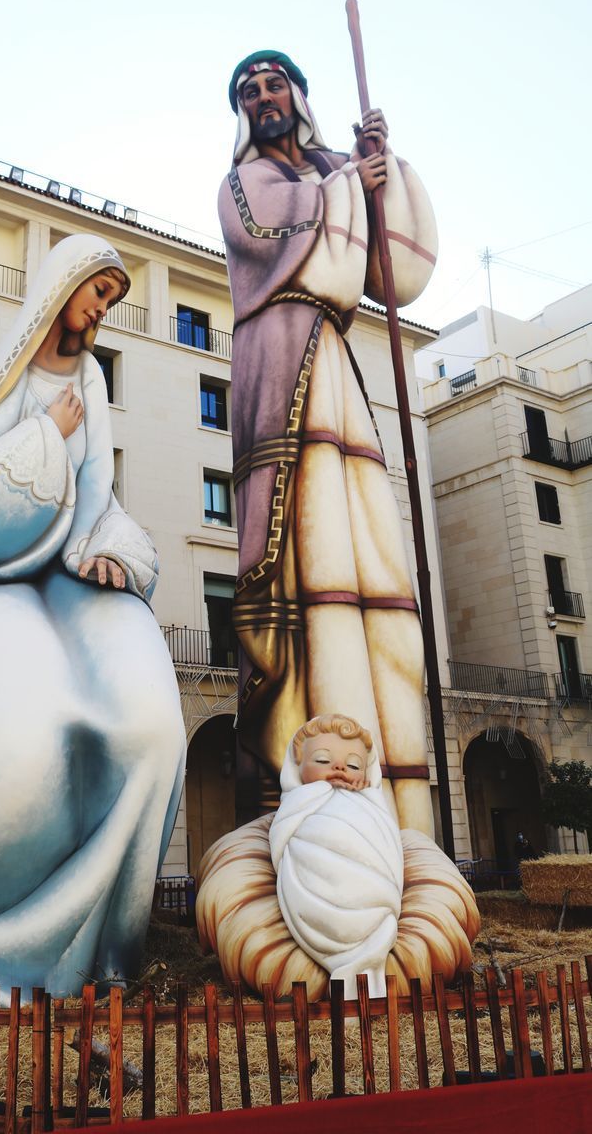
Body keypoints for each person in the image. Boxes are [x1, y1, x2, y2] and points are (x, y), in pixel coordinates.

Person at [0, 233, 186, 1004]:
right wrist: (46, 435)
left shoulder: (91, 377)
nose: (101, 310)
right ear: (61, 285)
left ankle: (105, 948)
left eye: (111, 299)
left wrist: (104, 552)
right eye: (97, 291)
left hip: (68, 563)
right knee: (18, 744)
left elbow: (96, 482)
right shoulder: (5, 374)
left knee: (150, 726)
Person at [218, 50, 439, 835]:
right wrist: (352, 183)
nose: (261, 97)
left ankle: (397, 817)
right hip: (276, 361)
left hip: (333, 366)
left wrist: (381, 165)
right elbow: (280, 227)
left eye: (273, 84)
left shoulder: (328, 170)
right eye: (248, 91)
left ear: (298, 95)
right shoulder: (244, 183)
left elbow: (389, 275)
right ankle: (298, 803)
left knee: (362, 553)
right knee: (298, 564)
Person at [269, 714, 404, 998]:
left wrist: (367, 799)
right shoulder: (298, 804)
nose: (340, 767)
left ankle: (368, 943)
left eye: (354, 764)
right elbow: (281, 842)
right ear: (297, 766)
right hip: (315, 894)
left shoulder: (371, 805)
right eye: (321, 759)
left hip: (373, 899)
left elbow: (387, 846)